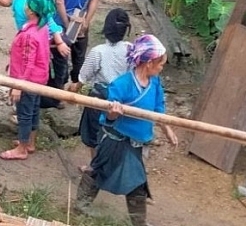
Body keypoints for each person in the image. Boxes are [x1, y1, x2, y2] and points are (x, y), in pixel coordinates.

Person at [75, 34, 178, 226]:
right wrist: (114, 112)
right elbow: (107, 118)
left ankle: (138, 222)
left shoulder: (154, 83)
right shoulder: (122, 84)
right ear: (149, 63)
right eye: (161, 63)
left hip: (137, 142)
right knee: (101, 171)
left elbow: (159, 109)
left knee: (131, 181)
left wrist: (168, 130)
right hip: (116, 140)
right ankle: (82, 206)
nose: (162, 67)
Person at [0, 0, 72, 110]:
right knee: (51, 71)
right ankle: (48, 98)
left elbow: (48, 19)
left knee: (53, 71)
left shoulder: (21, 4)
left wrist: (59, 42)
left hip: (50, 41)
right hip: (42, 40)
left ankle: (51, 100)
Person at [67, 8, 132, 165]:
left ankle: (95, 167)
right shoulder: (131, 49)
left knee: (95, 134)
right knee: (118, 133)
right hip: (124, 99)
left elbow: (82, 78)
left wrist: (72, 90)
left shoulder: (98, 52)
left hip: (101, 99)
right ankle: (114, 165)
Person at [0, 0, 56, 161]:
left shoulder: (29, 34)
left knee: (24, 113)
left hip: (27, 80)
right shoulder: (42, 27)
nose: (24, 6)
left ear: (31, 11)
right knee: (33, 111)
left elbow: (28, 61)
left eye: (27, 4)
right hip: (39, 78)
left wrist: (18, 86)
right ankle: (30, 142)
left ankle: (21, 149)